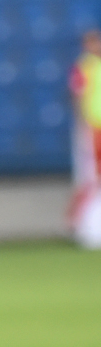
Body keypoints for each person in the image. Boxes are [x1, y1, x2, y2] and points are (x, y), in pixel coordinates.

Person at [66, 31, 101, 247]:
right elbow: (77, 97)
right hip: (92, 129)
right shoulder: (83, 66)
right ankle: (77, 225)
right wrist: (82, 125)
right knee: (89, 177)